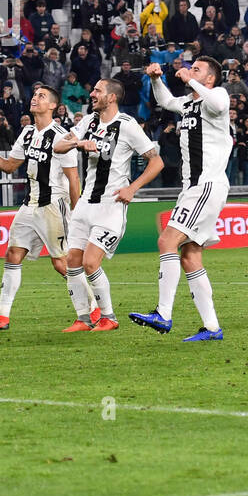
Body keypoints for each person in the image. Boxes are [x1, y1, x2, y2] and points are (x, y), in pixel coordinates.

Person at [0, 84, 96, 330]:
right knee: (13, 254)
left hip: (52, 205)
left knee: (62, 263)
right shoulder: (27, 132)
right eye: (34, 94)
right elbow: (9, 166)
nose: (35, 98)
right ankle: (2, 316)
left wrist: (77, 213)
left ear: (52, 106)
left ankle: (92, 310)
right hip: (30, 205)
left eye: (42, 96)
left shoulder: (62, 136)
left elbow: (73, 179)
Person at [129, 59, 232, 342]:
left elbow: (220, 105)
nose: (191, 70)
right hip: (193, 188)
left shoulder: (218, 95)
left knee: (166, 241)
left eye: (198, 69)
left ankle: (163, 313)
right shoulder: (188, 103)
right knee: (190, 256)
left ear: (210, 78)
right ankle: (212, 328)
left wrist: (190, 79)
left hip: (206, 185)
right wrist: (155, 79)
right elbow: (166, 100)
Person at [52, 78, 164, 332]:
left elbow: (156, 162)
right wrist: (78, 142)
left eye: (97, 91)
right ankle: (83, 318)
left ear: (111, 97)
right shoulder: (88, 122)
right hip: (85, 203)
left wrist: (132, 188)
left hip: (110, 205)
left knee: (91, 262)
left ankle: (109, 317)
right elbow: (58, 146)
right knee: (72, 261)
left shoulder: (127, 125)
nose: (92, 94)